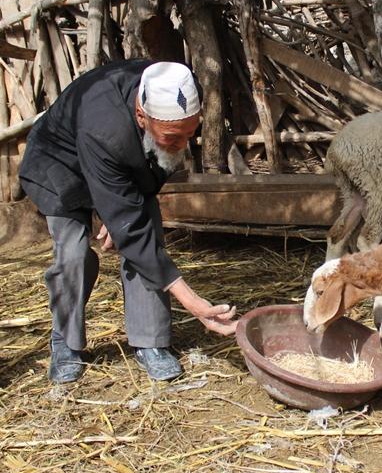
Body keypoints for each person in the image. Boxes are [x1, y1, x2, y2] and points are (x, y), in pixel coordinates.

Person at [19, 60, 237, 384]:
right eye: (174, 137)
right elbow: (130, 229)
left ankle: (150, 342)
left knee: (145, 235)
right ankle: (65, 341)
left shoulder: (175, 92)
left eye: (190, 134)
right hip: (60, 167)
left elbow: (155, 173)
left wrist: (116, 211)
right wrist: (193, 303)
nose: (183, 144)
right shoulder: (105, 129)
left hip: (123, 165)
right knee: (74, 253)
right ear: (141, 116)